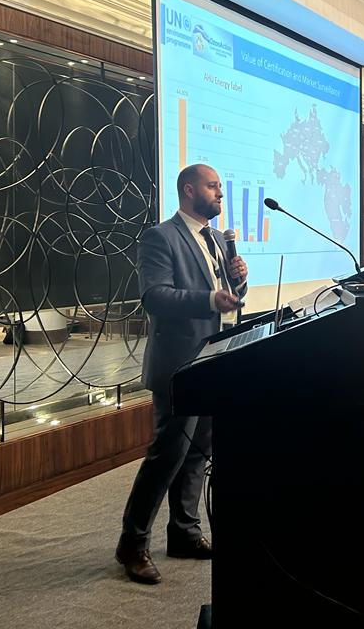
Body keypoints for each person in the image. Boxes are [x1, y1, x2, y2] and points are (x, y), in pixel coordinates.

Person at [116, 163, 247, 585]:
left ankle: (184, 533)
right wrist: (210, 299)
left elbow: (229, 296)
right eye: (213, 186)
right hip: (179, 365)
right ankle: (132, 545)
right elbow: (155, 296)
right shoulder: (161, 237)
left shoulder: (216, 239)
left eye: (220, 187)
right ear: (189, 190)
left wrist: (240, 283)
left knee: (198, 452)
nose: (220, 194)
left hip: (214, 359)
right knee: (167, 455)